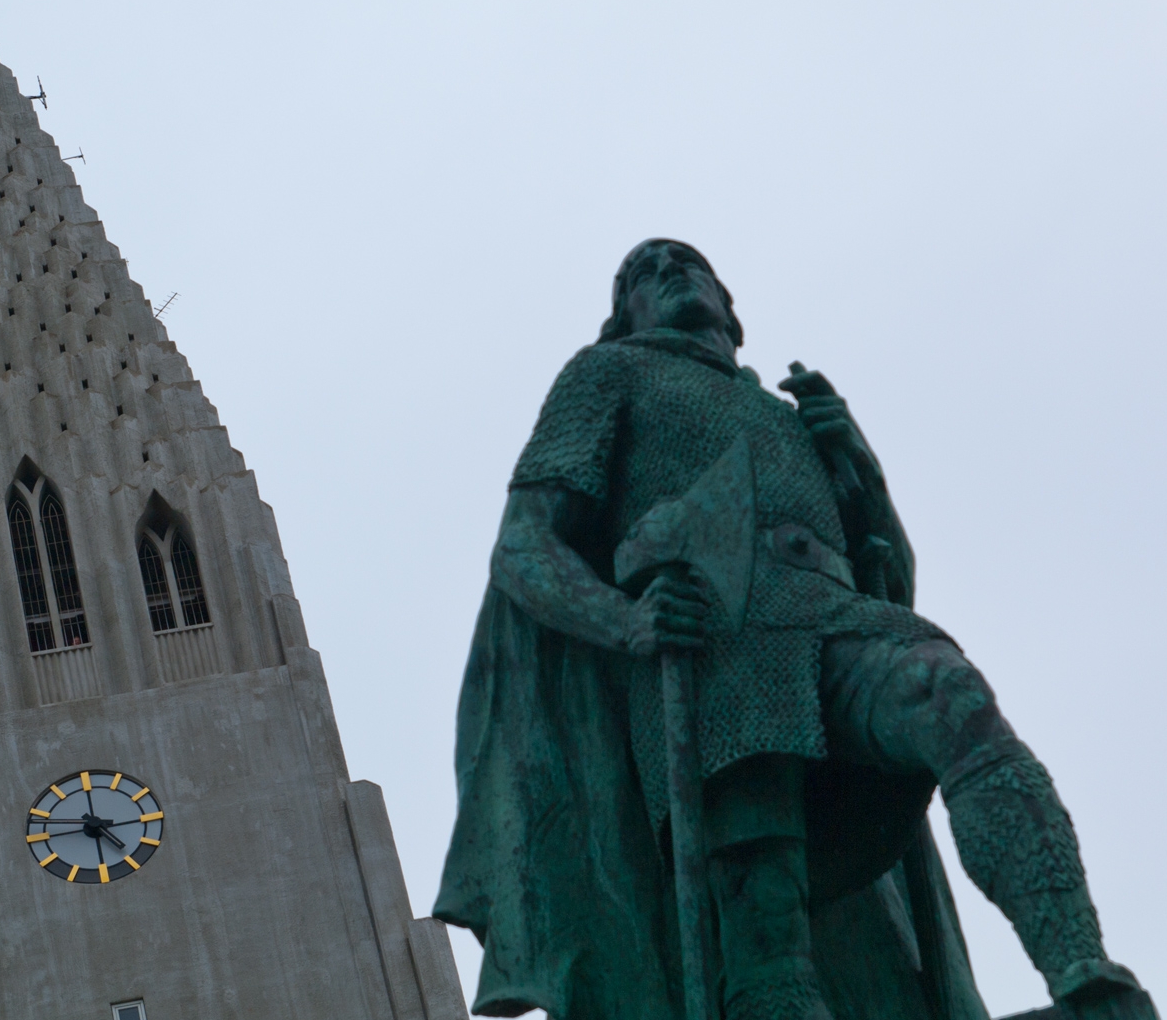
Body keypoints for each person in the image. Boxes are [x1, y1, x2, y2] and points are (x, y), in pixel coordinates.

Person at [435, 240, 1147, 1020]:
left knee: (950, 693)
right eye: (645, 272)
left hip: (829, 617)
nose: (671, 272)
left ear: (729, 306)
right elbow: (523, 543)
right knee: (762, 918)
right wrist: (629, 619)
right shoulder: (609, 373)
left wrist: (859, 469)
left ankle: (1083, 971)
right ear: (624, 314)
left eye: (688, 262)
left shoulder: (789, 415)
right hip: (714, 656)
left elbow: (892, 579)